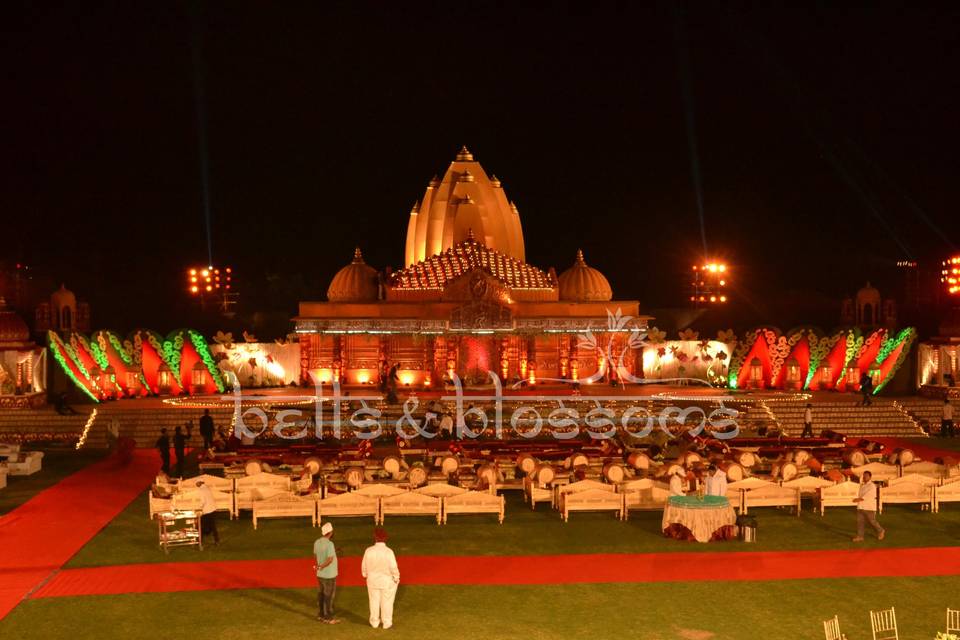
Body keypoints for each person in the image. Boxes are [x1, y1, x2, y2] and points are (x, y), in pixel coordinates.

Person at [361, 527, 401, 629]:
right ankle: (386, 623)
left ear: (374, 538)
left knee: (373, 601)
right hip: (386, 582)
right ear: (385, 538)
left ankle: (374, 622)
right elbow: (393, 567)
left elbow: (364, 566)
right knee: (387, 602)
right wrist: (396, 577)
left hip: (372, 581)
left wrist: (365, 574)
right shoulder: (389, 552)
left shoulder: (369, 551)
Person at [313, 522, 340, 624]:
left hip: (320, 574)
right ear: (330, 532)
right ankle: (328, 617)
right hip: (330, 575)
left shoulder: (317, 542)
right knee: (328, 596)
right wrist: (321, 566)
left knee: (321, 595)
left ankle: (320, 615)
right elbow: (329, 560)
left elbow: (315, 555)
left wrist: (318, 567)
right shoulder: (330, 544)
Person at [852, 470, 884, 542]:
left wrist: (858, 499)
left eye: (866, 476)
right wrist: (858, 500)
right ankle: (860, 536)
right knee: (860, 522)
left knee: (872, 521)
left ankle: (880, 530)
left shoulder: (872, 486)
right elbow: (860, 495)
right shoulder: (862, 485)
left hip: (869, 507)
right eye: (864, 476)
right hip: (861, 506)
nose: (864, 477)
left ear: (870, 477)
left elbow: (867, 496)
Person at [196, 480, 220, 545]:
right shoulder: (207, 488)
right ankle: (216, 540)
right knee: (212, 526)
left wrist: (198, 507)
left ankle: (199, 539)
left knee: (200, 525)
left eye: (196, 483)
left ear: (199, 483)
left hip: (207, 510)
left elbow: (203, 501)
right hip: (212, 509)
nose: (196, 484)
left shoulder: (201, 490)